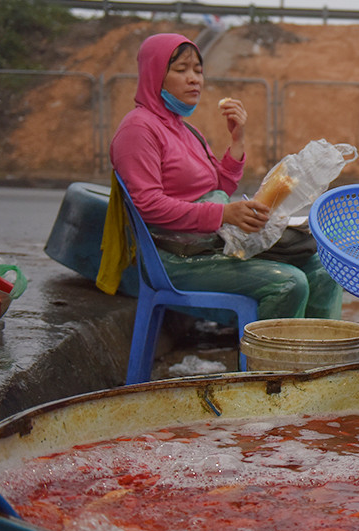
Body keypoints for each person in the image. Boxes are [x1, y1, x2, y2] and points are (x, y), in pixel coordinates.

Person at [107, 32, 342, 321]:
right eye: (181, 70)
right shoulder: (138, 130)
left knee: (324, 271)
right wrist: (223, 214)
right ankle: (271, 364)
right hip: (175, 259)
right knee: (288, 283)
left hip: (209, 244)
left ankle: (321, 360)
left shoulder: (186, 130)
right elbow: (148, 205)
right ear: (154, 74)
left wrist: (237, 139)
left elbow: (219, 187)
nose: (194, 79)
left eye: (198, 70)